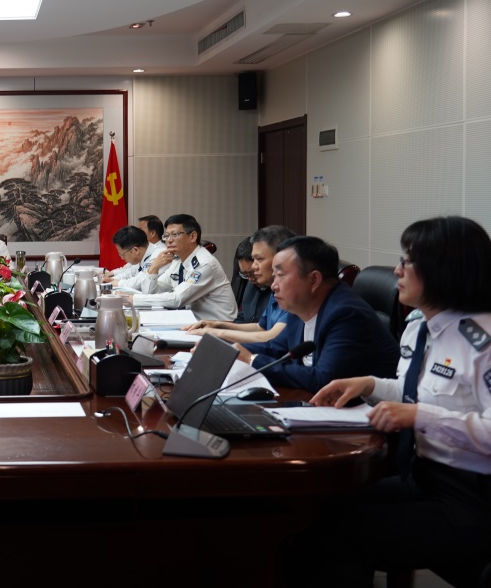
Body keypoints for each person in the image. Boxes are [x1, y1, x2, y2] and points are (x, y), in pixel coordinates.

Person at [300, 216, 491, 585]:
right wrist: (368, 384)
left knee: (344, 537)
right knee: (316, 505)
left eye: (407, 261)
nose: (397, 271)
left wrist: (421, 416)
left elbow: (424, 409)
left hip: (474, 498)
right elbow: (414, 390)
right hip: (423, 476)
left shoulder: (483, 341)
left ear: (443, 269)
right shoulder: (421, 325)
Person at [236, 235, 398, 392]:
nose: (274, 286)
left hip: (367, 407)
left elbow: (324, 380)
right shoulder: (300, 306)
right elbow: (275, 348)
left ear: (314, 280)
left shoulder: (347, 314)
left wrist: (252, 360)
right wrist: (233, 351)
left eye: (280, 275)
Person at [185, 225, 295, 344]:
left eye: (259, 259)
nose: (254, 266)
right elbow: (260, 327)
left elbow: (271, 337)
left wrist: (217, 333)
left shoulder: (293, 293)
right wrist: (217, 325)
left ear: (280, 258)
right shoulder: (275, 289)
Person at [121, 214, 237, 321]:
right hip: (192, 322)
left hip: (219, 327)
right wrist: (154, 267)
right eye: (166, 235)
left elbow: (177, 299)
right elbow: (152, 293)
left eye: (175, 234)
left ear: (193, 236)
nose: (169, 240)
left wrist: (133, 299)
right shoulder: (178, 261)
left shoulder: (204, 264)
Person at [105, 215, 167, 283]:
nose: (122, 258)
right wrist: (112, 279)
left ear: (136, 250)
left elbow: (141, 281)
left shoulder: (159, 254)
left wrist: (118, 283)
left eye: (123, 255)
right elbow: (130, 272)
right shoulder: (144, 254)